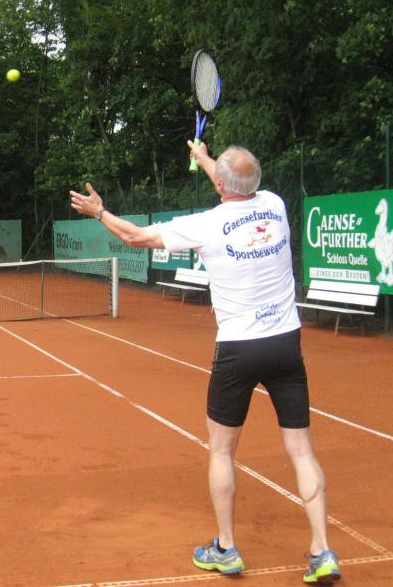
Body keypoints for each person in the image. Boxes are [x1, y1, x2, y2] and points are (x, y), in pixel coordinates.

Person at [69, 141, 341, 585]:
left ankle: (226, 549)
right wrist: (205, 158)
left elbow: (135, 237)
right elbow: (235, 181)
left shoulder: (207, 225)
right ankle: (323, 550)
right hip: (285, 345)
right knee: (302, 450)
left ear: (218, 185)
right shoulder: (275, 205)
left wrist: (99, 212)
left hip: (238, 349)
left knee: (221, 450)